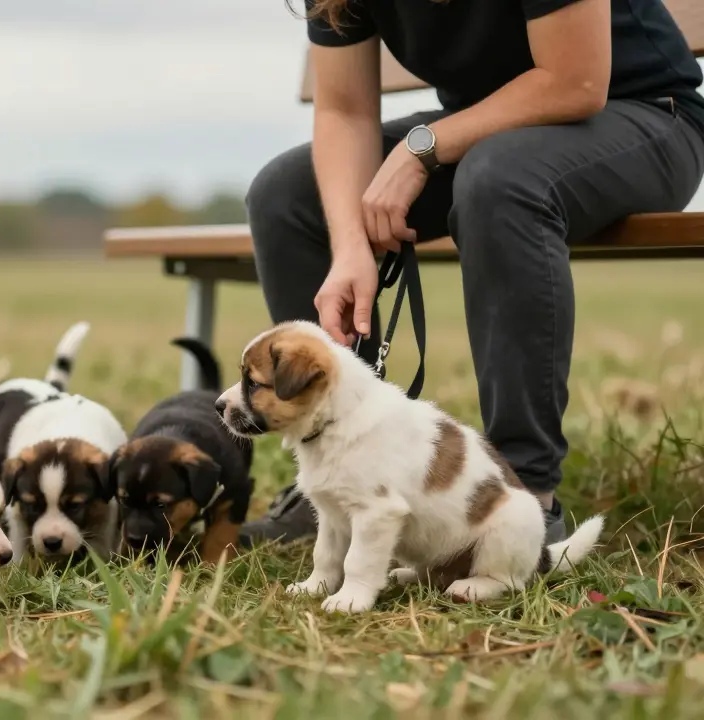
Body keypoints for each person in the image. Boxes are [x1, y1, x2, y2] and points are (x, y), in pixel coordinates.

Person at [241, 0, 704, 547]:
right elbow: (343, 109)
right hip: (491, 131)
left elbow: (574, 81)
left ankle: (524, 494)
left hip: (644, 116)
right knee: (284, 197)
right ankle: (346, 482)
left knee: (498, 182)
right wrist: (348, 247)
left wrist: (421, 151)